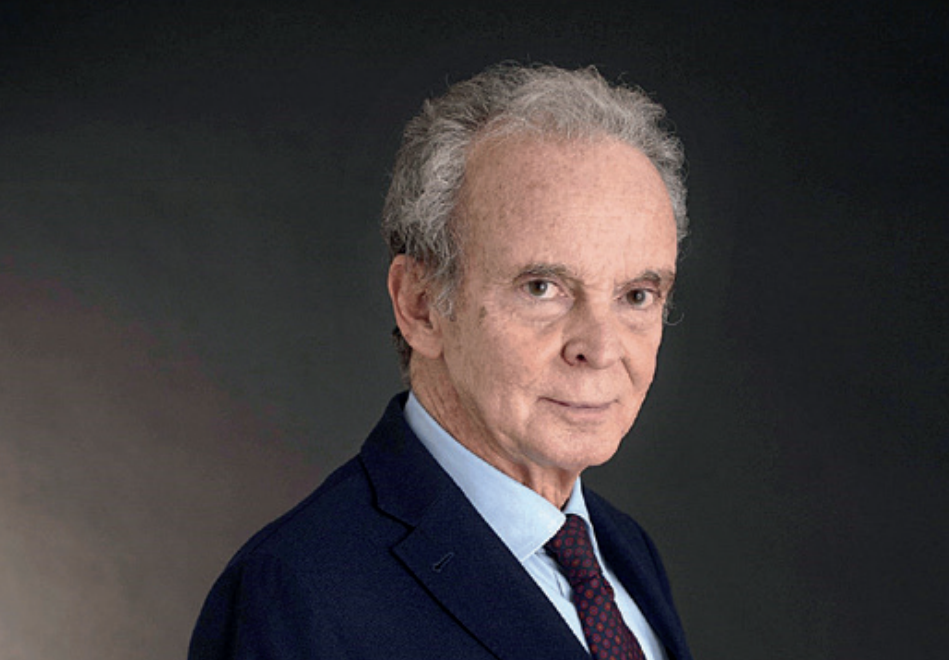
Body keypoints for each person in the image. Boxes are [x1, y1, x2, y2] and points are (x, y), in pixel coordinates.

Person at [188, 63, 694, 660]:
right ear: (421, 306)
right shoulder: (297, 593)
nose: (601, 349)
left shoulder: (623, 551)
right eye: (542, 288)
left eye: (637, 295)